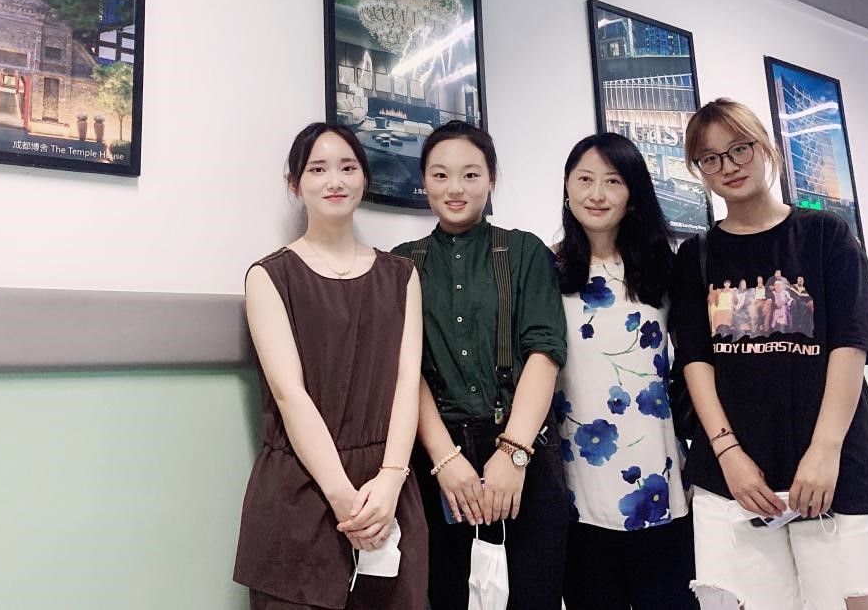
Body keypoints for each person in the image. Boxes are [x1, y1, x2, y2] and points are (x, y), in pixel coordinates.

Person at [670, 98, 868, 610]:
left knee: (853, 599)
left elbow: (851, 343)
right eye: (711, 158)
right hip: (738, 469)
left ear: (765, 147)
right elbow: (696, 361)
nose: (729, 166)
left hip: (835, 459)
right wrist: (728, 455)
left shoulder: (826, 234)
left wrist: (824, 451)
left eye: (739, 148)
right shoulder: (695, 256)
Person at [234, 122, 429, 609]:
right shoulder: (269, 276)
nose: (335, 181)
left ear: (364, 178)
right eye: (317, 169)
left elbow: (407, 382)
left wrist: (391, 478)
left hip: (388, 488)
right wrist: (343, 497)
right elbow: (289, 394)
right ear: (295, 184)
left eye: (347, 167)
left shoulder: (401, 275)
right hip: (302, 487)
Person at [393, 121, 568, 610]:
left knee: (532, 595)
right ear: (423, 182)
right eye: (440, 175)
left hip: (524, 445)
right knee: (448, 594)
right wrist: (445, 461)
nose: (456, 188)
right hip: (439, 453)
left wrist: (514, 454)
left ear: (491, 179)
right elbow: (405, 371)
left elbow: (545, 352)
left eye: (470, 174)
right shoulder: (401, 265)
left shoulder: (525, 251)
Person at [553, 133, 697, 610]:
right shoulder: (548, 269)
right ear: (568, 187)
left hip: (658, 477)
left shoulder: (664, 269)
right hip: (577, 485)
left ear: (633, 193)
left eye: (613, 181)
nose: (597, 194)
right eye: (585, 180)